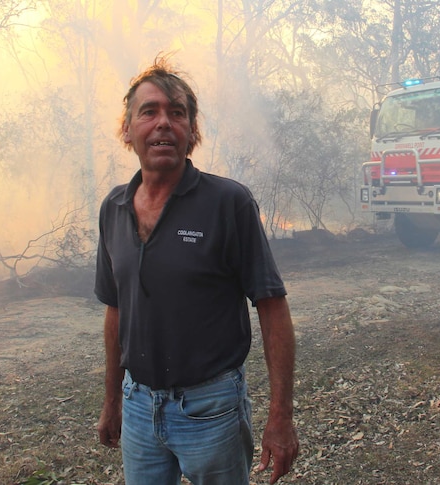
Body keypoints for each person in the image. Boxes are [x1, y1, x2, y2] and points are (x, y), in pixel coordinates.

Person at [95, 56, 299, 485]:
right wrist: (112, 400)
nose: (163, 123)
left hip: (212, 409)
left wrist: (280, 417)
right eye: (149, 111)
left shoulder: (228, 203)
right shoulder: (113, 209)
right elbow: (116, 311)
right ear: (128, 130)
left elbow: (273, 308)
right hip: (137, 408)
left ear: (192, 132)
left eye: (177, 113)